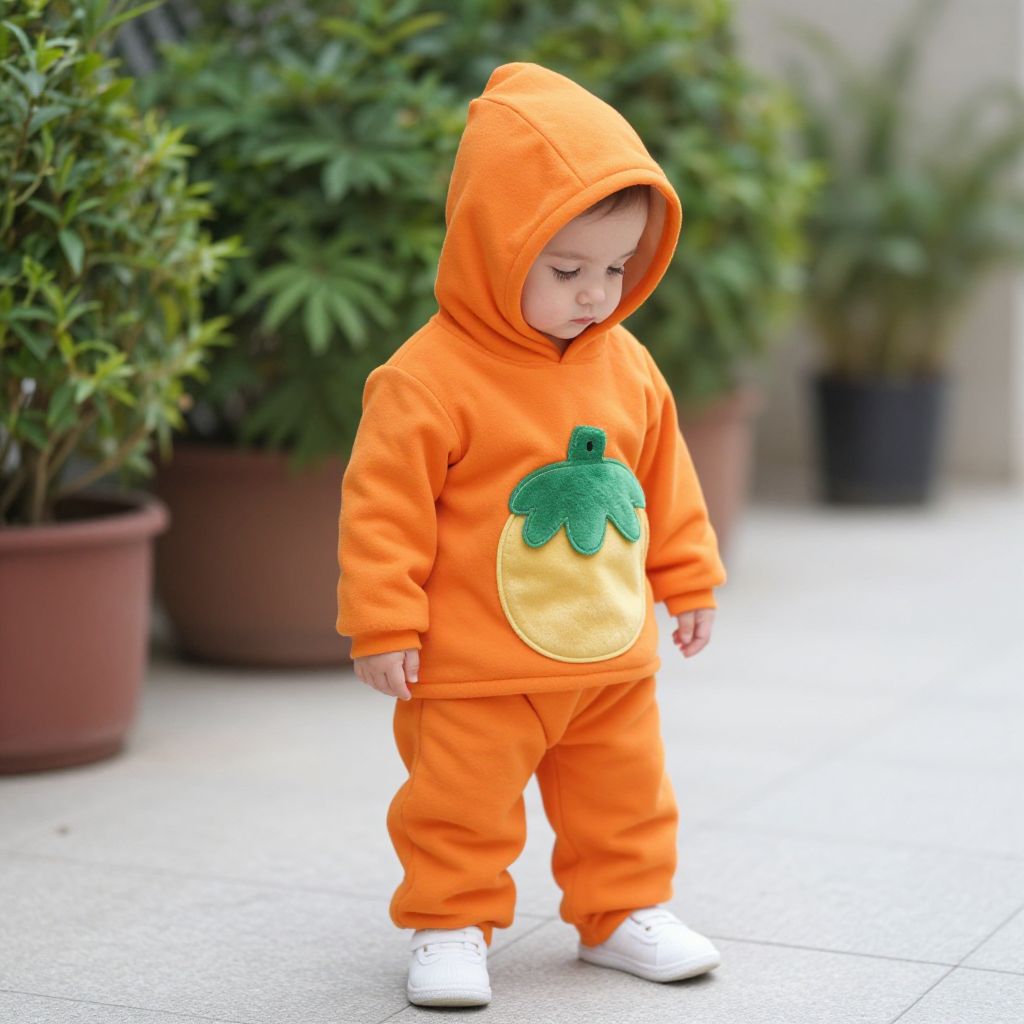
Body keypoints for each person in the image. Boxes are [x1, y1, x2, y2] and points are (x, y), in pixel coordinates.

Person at [336, 61, 727, 1008]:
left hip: (608, 657)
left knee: (625, 797)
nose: (597, 294)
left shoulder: (628, 367)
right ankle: (450, 923)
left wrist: (689, 579)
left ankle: (622, 910)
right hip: (472, 667)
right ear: (492, 247)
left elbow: (664, 482)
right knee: (457, 804)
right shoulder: (426, 379)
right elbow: (383, 507)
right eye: (566, 270)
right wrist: (383, 621)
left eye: (616, 269)